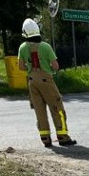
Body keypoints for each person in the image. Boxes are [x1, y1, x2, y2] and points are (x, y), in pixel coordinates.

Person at [17, 19, 76, 148]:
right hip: (46, 81)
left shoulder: (22, 47)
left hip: (32, 81)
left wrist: (30, 67)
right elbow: (55, 66)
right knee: (57, 108)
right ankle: (63, 137)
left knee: (40, 111)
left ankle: (45, 139)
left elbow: (20, 66)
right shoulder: (45, 46)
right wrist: (48, 66)